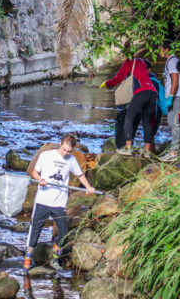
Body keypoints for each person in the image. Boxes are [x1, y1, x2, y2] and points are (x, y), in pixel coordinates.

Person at [23, 134, 96, 272]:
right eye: (63, 149)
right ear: (60, 143)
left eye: (68, 151)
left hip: (59, 202)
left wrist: (88, 187)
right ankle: (27, 262)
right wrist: (40, 179)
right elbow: (34, 172)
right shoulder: (46, 155)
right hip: (43, 200)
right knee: (35, 231)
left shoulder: (71, 159)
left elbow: (80, 175)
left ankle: (54, 260)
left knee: (63, 234)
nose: (65, 153)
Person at [100, 56, 157, 157]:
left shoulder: (129, 62)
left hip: (141, 92)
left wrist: (107, 83)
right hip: (152, 92)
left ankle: (128, 148)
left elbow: (118, 78)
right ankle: (147, 151)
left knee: (129, 118)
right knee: (146, 122)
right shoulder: (142, 62)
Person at [158, 41, 180, 162]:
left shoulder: (172, 60)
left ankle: (174, 153)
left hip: (175, 96)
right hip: (175, 95)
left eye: (160, 49)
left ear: (165, 49)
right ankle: (179, 150)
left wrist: (171, 96)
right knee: (174, 123)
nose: (159, 52)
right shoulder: (172, 60)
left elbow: (175, 80)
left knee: (173, 123)